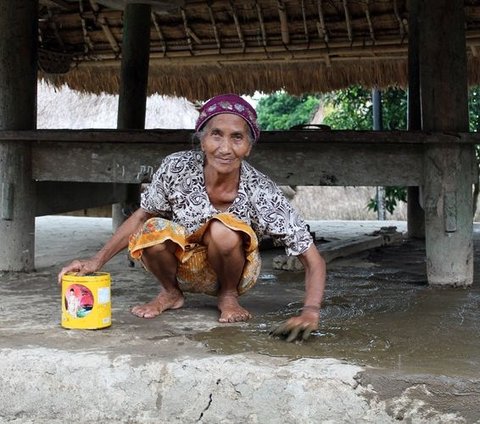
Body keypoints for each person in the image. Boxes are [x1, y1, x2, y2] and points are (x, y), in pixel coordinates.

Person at [58, 93, 326, 342]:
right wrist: (96, 260)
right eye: (216, 135)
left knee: (223, 229)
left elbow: (313, 260)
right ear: (202, 139)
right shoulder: (176, 168)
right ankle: (171, 293)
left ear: (248, 147)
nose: (225, 148)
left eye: (237, 137)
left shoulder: (262, 190)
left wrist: (311, 311)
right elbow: (141, 217)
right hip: (182, 263)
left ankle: (228, 296)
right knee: (152, 228)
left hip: (235, 270)